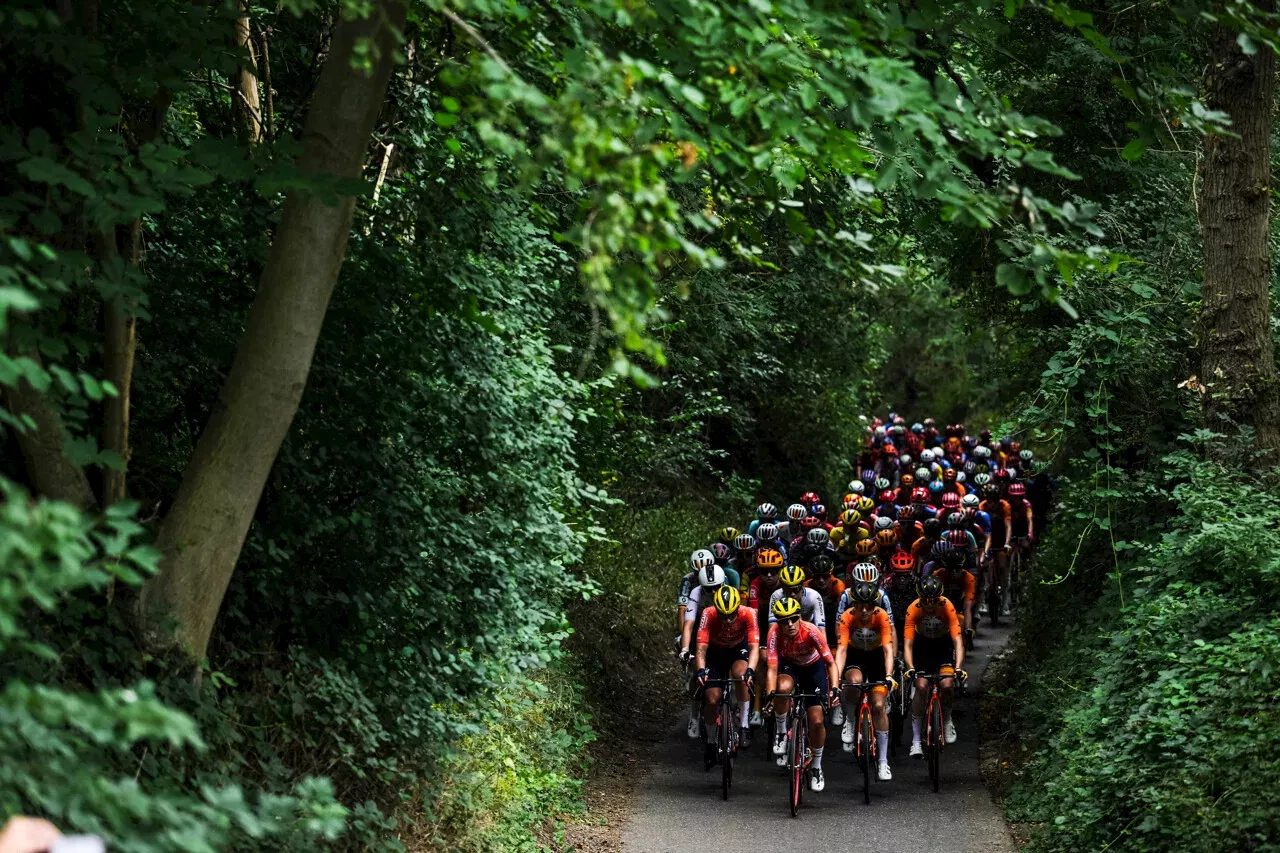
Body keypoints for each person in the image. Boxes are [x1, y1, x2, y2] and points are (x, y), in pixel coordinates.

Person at [764, 597, 840, 792]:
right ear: (778, 623)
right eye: (783, 621)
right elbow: (772, 669)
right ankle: (781, 732)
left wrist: (835, 688)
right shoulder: (773, 634)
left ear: (800, 617)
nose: (789, 625)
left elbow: (831, 663)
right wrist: (770, 695)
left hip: (813, 670)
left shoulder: (811, 631)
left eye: (793, 619)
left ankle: (816, 766)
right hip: (790, 666)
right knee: (782, 688)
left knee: (816, 721)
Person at [835, 581, 896, 779]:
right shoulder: (847, 617)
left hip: (876, 658)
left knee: (878, 706)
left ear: (874, 605)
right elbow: (842, 650)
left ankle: (883, 762)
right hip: (856, 656)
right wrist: (836, 678)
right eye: (858, 605)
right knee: (853, 682)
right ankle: (850, 720)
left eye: (868, 606)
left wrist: (888, 676)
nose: (863, 610)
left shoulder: (881, 616)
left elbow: (888, 649)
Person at [694, 586, 761, 766]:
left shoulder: (748, 613)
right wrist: (701, 670)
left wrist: (751, 670)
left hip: (738, 649)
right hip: (715, 653)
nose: (729, 620)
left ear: (737, 608)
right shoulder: (708, 614)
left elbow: (754, 647)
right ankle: (710, 741)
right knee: (712, 699)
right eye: (724, 615)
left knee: (741, 675)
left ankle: (744, 725)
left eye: (732, 614)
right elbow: (701, 648)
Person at [904, 577, 966, 756]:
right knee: (921, 686)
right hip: (922, 648)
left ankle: (947, 720)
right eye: (926, 601)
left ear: (939, 598)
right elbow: (908, 644)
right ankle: (916, 740)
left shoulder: (947, 605)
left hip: (942, 647)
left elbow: (957, 640)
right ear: (920, 598)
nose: (930, 605)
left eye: (934, 601)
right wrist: (910, 667)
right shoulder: (913, 609)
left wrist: (959, 667)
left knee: (947, 684)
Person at [678, 564, 728, 737]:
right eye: (709, 589)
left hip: (722, 633)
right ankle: (693, 715)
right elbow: (689, 624)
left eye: (716, 588)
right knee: (695, 671)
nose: (714, 593)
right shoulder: (696, 593)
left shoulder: (728, 591)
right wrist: (685, 649)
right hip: (700, 632)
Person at [768, 565, 826, 629]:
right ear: (782, 587)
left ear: (802, 586)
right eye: (788, 590)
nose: (792, 594)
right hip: (786, 628)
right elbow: (772, 627)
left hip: (808, 628)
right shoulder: (776, 595)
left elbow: (821, 627)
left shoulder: (814, 596)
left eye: (796, 589)